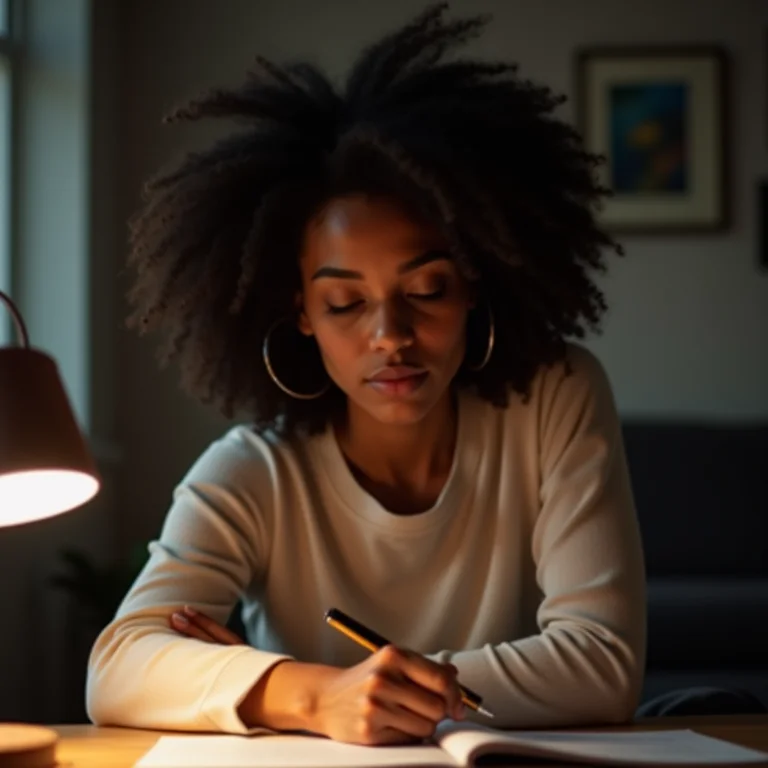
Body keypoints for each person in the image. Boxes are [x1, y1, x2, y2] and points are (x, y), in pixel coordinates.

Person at [86, 3, 649, 745]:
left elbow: (604, 664)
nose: (391, 337)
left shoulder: (552, 398)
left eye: (425, 291)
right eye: (346, 302)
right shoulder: (256, 472)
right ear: (302, 315)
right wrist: (316, 696)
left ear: (477, 283)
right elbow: (117, 666)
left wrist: (353, 692)